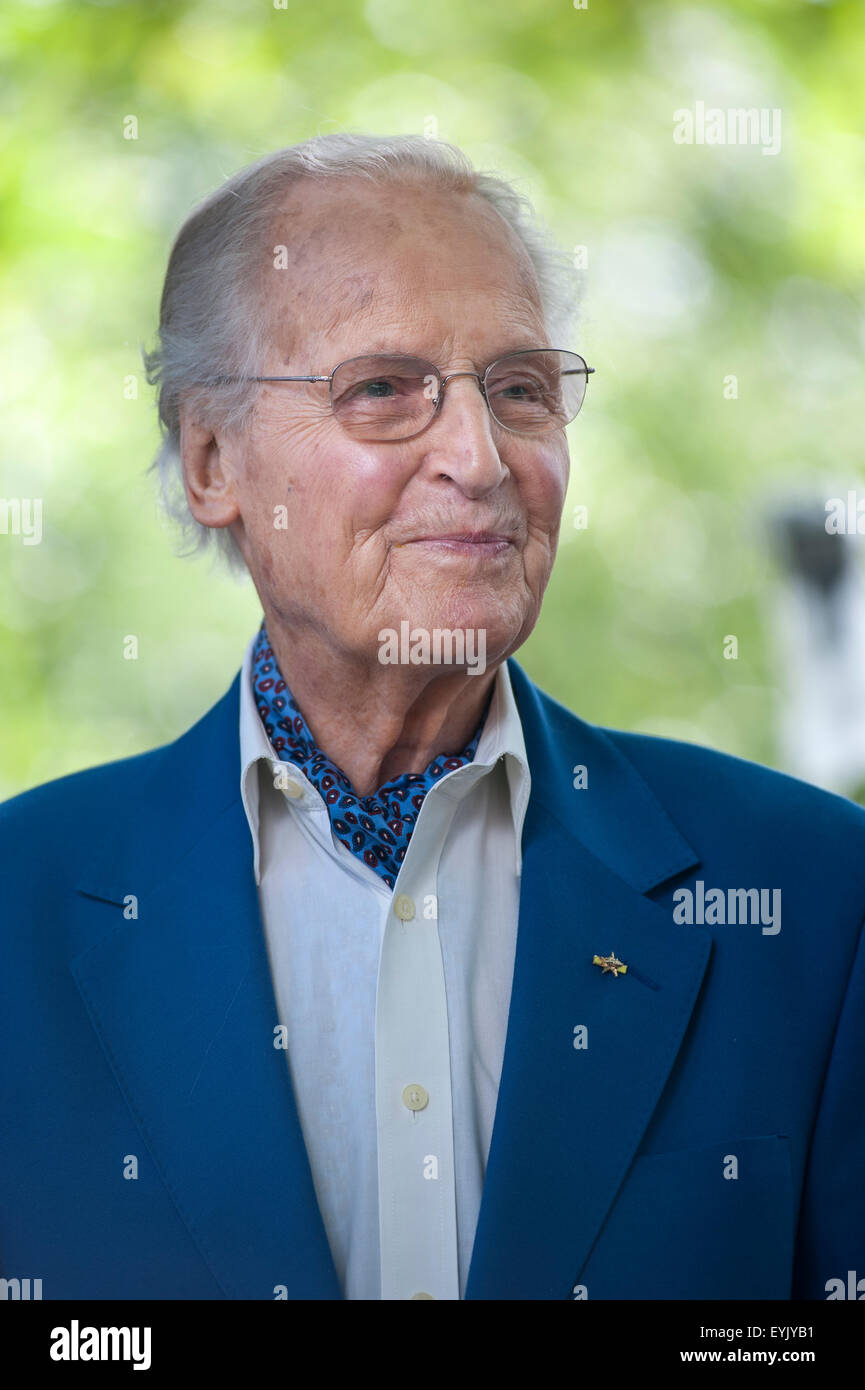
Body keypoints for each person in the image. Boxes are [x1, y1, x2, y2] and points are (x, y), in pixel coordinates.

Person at [1, 133, 863, 1302]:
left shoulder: (812, 889)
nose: (480, 456)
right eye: (381, 390)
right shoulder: (23, 902)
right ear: (213, 463)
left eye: (519, 390)